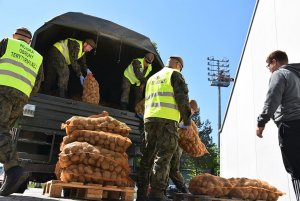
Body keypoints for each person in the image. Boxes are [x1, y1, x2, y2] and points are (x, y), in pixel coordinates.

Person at [137, 56, 193, 201]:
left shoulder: (151, 78)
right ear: (177, 64)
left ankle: (141, 195)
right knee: (163, 158)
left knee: (147, 158)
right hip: (167, 122)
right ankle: (157, 195)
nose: (180, 69)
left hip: (149, 121)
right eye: (180, 67)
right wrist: (187, 122)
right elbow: (182, 99)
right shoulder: (175, 75)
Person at [0, 27, 43, 195]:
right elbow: (37, 85)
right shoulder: (37, 57)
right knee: (4, 134)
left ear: (14, 36)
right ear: (29, 42)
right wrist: (22, 95)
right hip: (21, 99)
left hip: (2, 92)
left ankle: (14, 168)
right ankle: (12, 172)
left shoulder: (7, 43)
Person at [256, 50, 300, 201]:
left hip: (291, 125)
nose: (268, 68)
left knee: (296, 168)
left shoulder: (279, 74)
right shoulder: (296, 75)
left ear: (274, 61)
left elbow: (272, 98)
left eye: (268, 65)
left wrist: (261, 122)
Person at [168, 99, 199, 194]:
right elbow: (171, 123)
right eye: (193, 110)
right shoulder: (178, 112)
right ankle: (182, 188)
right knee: (167, 166)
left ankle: (182, 188)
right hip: (169, 141)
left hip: (177, 145)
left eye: (194, 111)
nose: (193, 113)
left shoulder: (188, 120)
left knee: (172, 168)